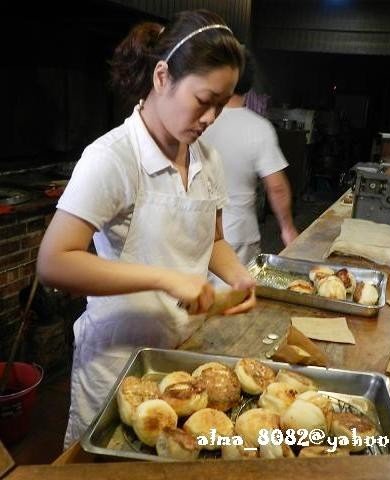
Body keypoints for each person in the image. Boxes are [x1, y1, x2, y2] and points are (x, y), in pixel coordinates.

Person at [36, 10, 256, 448]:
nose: (211, 117)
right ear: (161, 77)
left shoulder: (206, 159)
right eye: (203, 100)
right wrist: (165, 278)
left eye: (222, 104)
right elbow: (54, 261)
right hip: (117, 365)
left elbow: (212, 240)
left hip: (180, 356)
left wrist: (237, 275)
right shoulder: (113, 158)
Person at [201, 49, 298, 267]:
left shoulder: (195, 120)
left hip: (195, 233)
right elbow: (277, 187)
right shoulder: (259, 128)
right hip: (238, 236)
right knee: (237, 297)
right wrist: (288, 228)